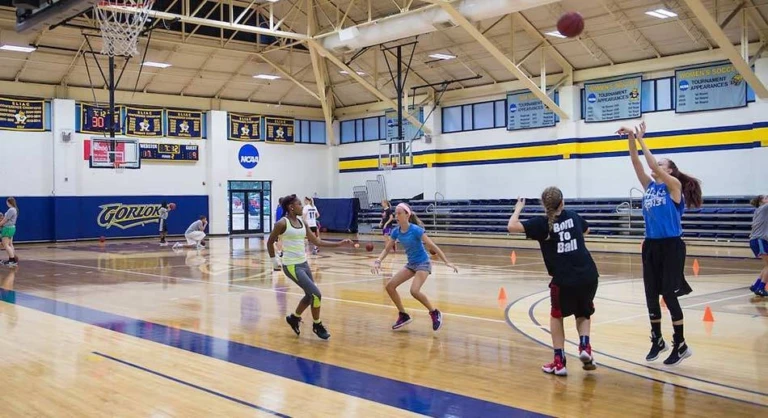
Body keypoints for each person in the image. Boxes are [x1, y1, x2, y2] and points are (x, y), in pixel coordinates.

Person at [619, 121, 702, 366]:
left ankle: (681, 344)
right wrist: (631, 138)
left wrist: (640, 137)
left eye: (662, 164)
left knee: (669, 293)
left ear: (670, 171)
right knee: (651, 294)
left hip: (671, 245)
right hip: (651, 245)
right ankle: (657, 339)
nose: (656, 166)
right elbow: (636, 162)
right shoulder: (650, 187)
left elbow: (651, 165)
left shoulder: (674, 187)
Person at [507, 187, 599, 376]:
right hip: (588, 275)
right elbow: (587, 230)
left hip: (564, 280)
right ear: (562, 202)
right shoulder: (573, 216)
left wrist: (518, 208)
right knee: (583, 312)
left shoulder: (541, 224)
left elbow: (512, 226)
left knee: (557, 316)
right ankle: (584, 346)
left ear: (544, 205)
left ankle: (559, 362)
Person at [267, 194, 353, 340]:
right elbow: (270, 242)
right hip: (291, 265)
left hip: (304, 263)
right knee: (316, 295)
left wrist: (339, 243)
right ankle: (317, 324)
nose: (302, 207)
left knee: (309, 295)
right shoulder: (281, 223)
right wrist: (274, 261)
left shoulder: (302, 222)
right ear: (291, 207)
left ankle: (294, 318)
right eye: (299, 204)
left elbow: (317, 242)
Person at [372, 202, 457, 331]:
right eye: (396, 213)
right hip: (411, 264)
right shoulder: (396, 232)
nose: (396, 216)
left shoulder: (416, 230)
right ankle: (403, 315)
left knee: (414, 291)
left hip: (423, 263)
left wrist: (446, 261)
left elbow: (432, 245)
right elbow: (387, 249)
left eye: (399, 213)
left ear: (407, 215)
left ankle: (434, 312)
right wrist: (378, 261)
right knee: (390, 286)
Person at [748, 195, 768, 296]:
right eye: (766, 198)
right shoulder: (764, 208)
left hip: (757, 240)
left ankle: (756, 286)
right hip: (759, 240)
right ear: (761, 202)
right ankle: (760, 288)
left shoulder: (760, 210)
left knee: (767, 265)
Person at [0, 197, 19, 267]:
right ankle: (13, 259)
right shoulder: (14, 209)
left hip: (7, 228)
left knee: (6, 245)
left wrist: (0, 224)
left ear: (8, 202)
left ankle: (12, 260)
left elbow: (5, 220)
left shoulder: (11, 210)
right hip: (11, 228)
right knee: (10, 244)